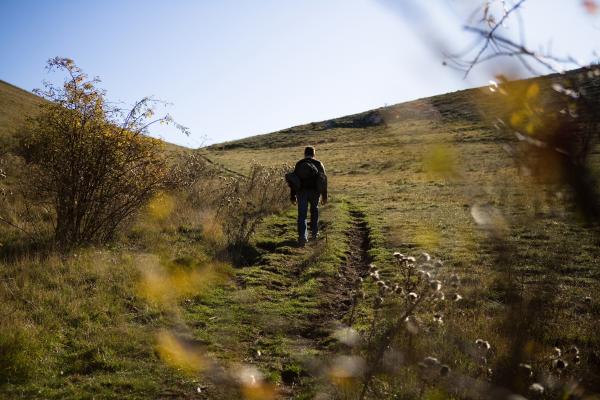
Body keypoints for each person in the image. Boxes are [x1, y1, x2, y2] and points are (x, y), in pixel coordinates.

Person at [290, 146, 327, 246]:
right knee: (314, 210)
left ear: (304, 153)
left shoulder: (299, 163)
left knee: (302, 214)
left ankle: (302, 237)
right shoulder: (319, 164)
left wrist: (292, 196)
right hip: (315, 192)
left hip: (301, 192)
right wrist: (324, 195)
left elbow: (294, 181)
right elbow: (323, 179)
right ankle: (314, 234)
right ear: (314, 154)